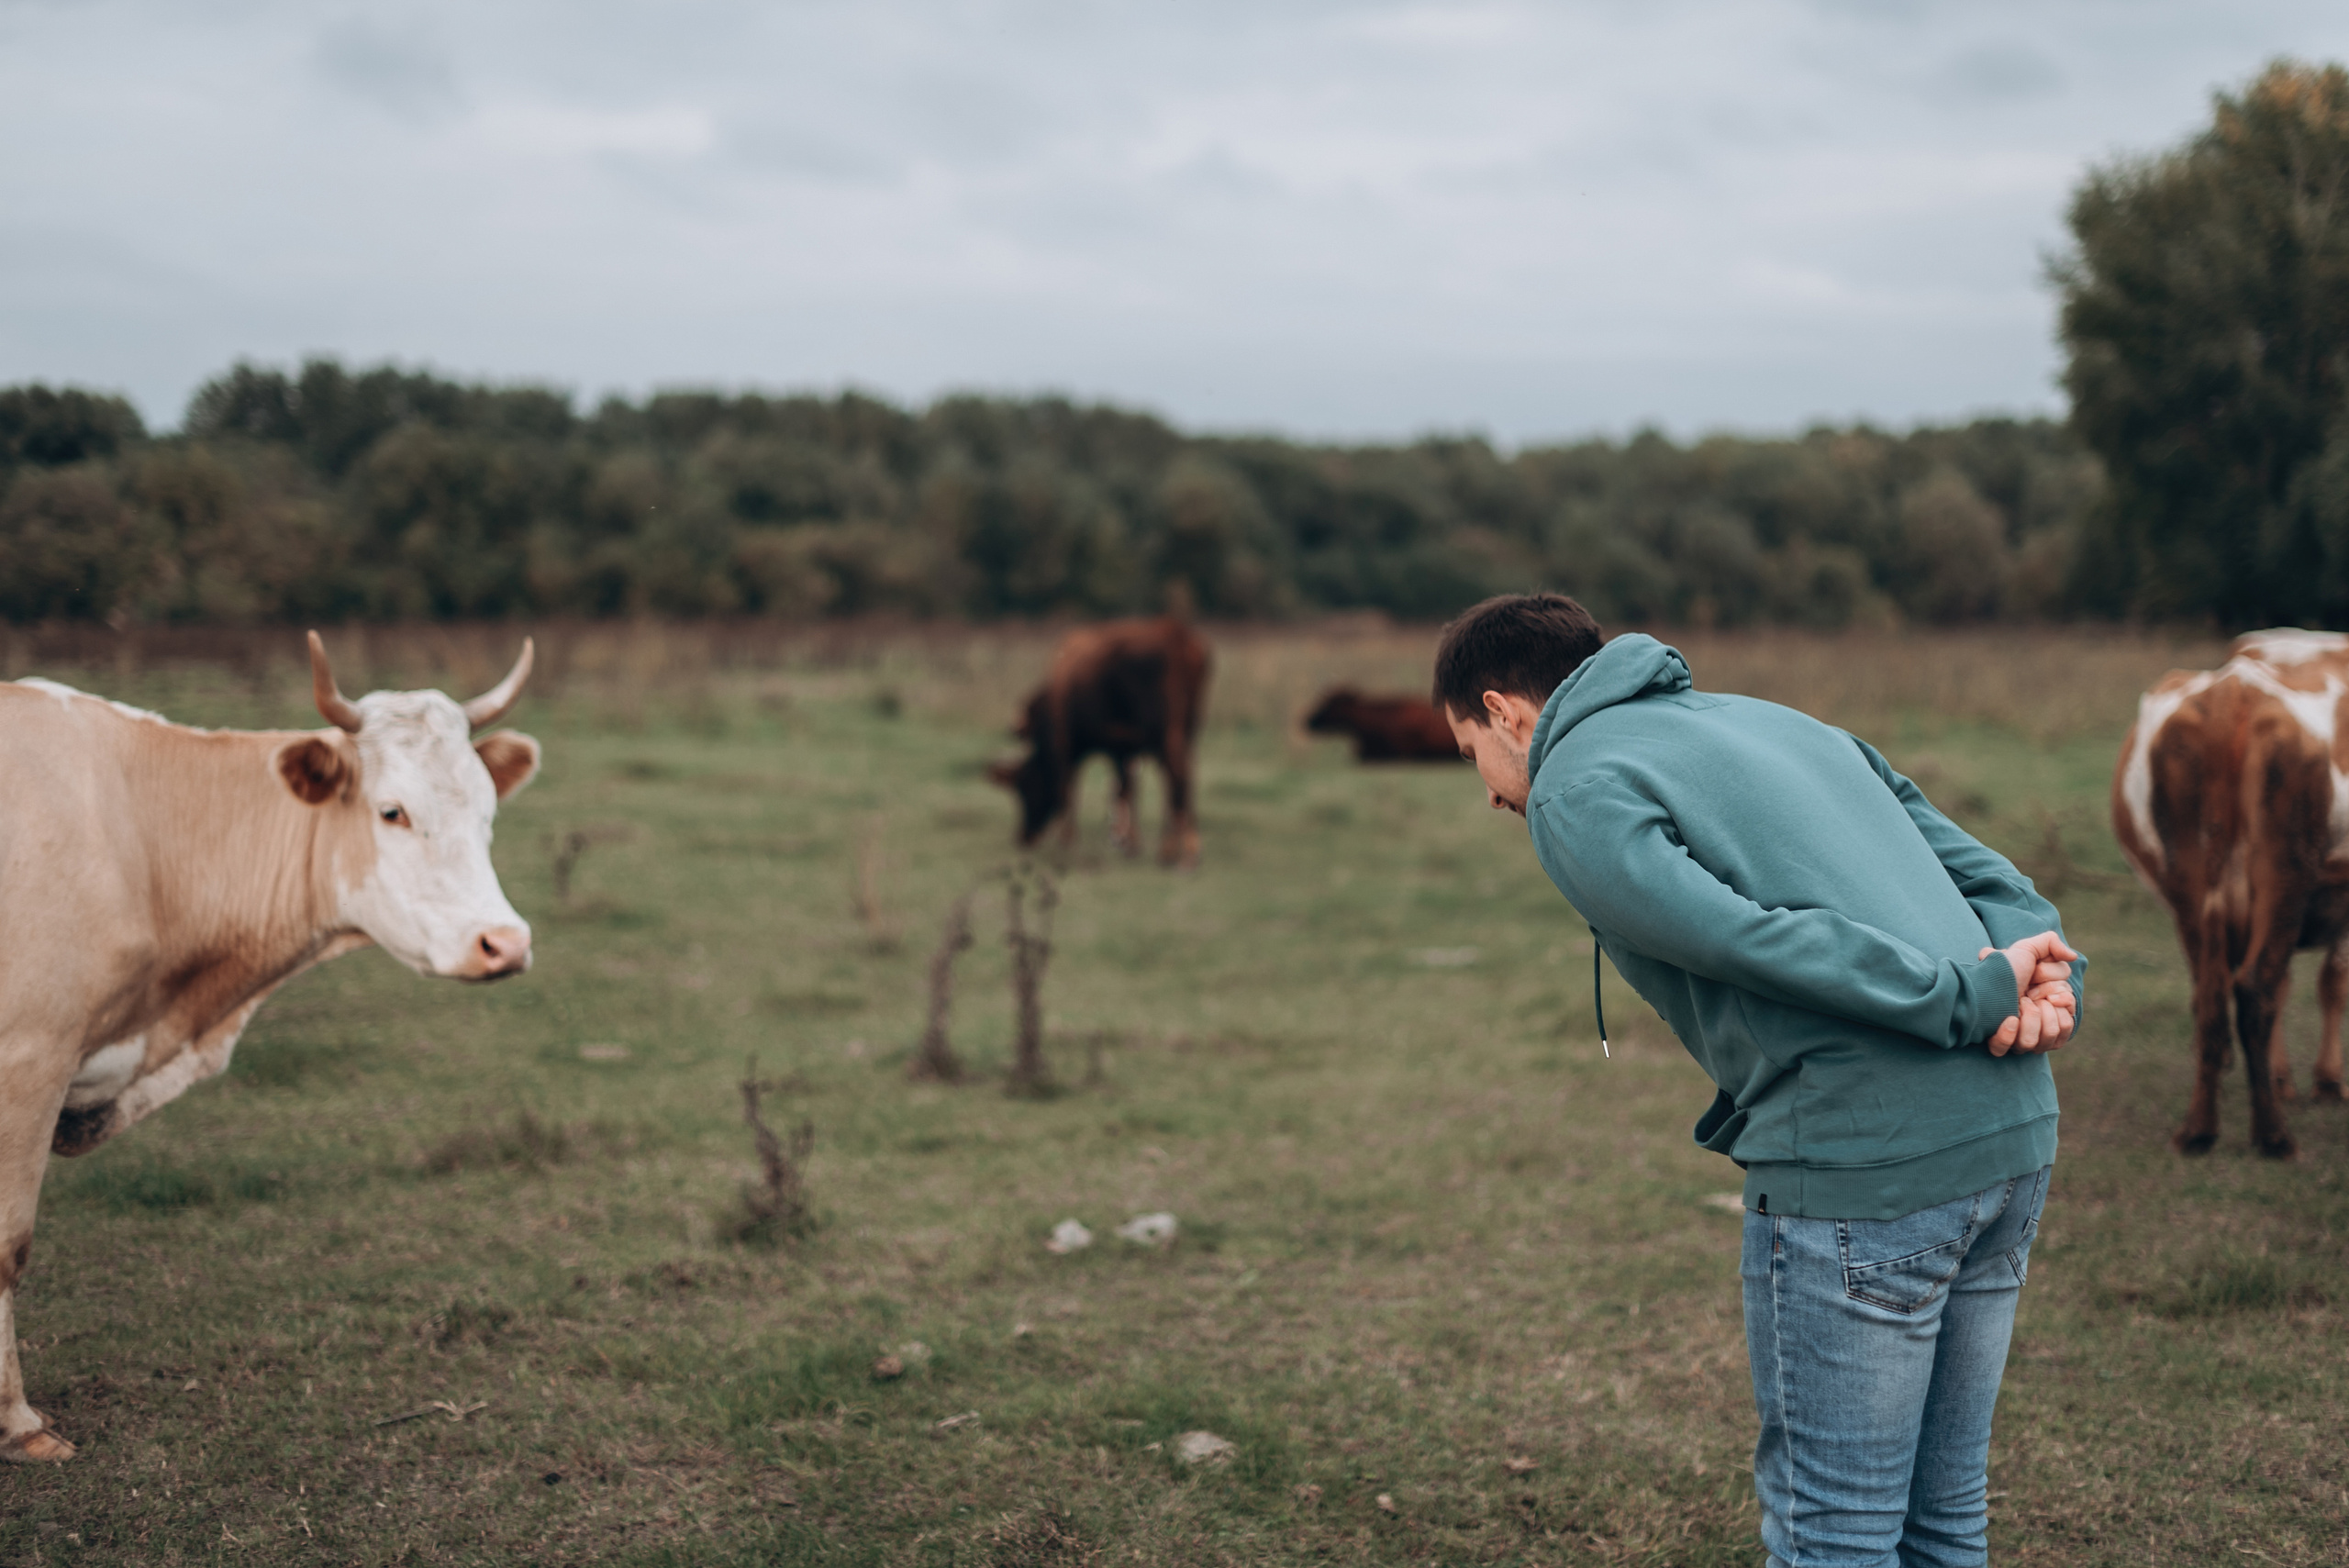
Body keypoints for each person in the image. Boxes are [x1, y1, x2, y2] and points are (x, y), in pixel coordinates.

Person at [1433, 593, 2081, 1568]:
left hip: (1864, 1165)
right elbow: (1996, 880)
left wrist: (1969, 993)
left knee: (1835, 1535)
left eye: (1469, 751)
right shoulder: (1777, 717)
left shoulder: (1571, 785)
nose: (1487, 789)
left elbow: (1751, 940)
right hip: (2009, 1136)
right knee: (1942, 1521)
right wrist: (2041, 973)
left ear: (1506, 710)